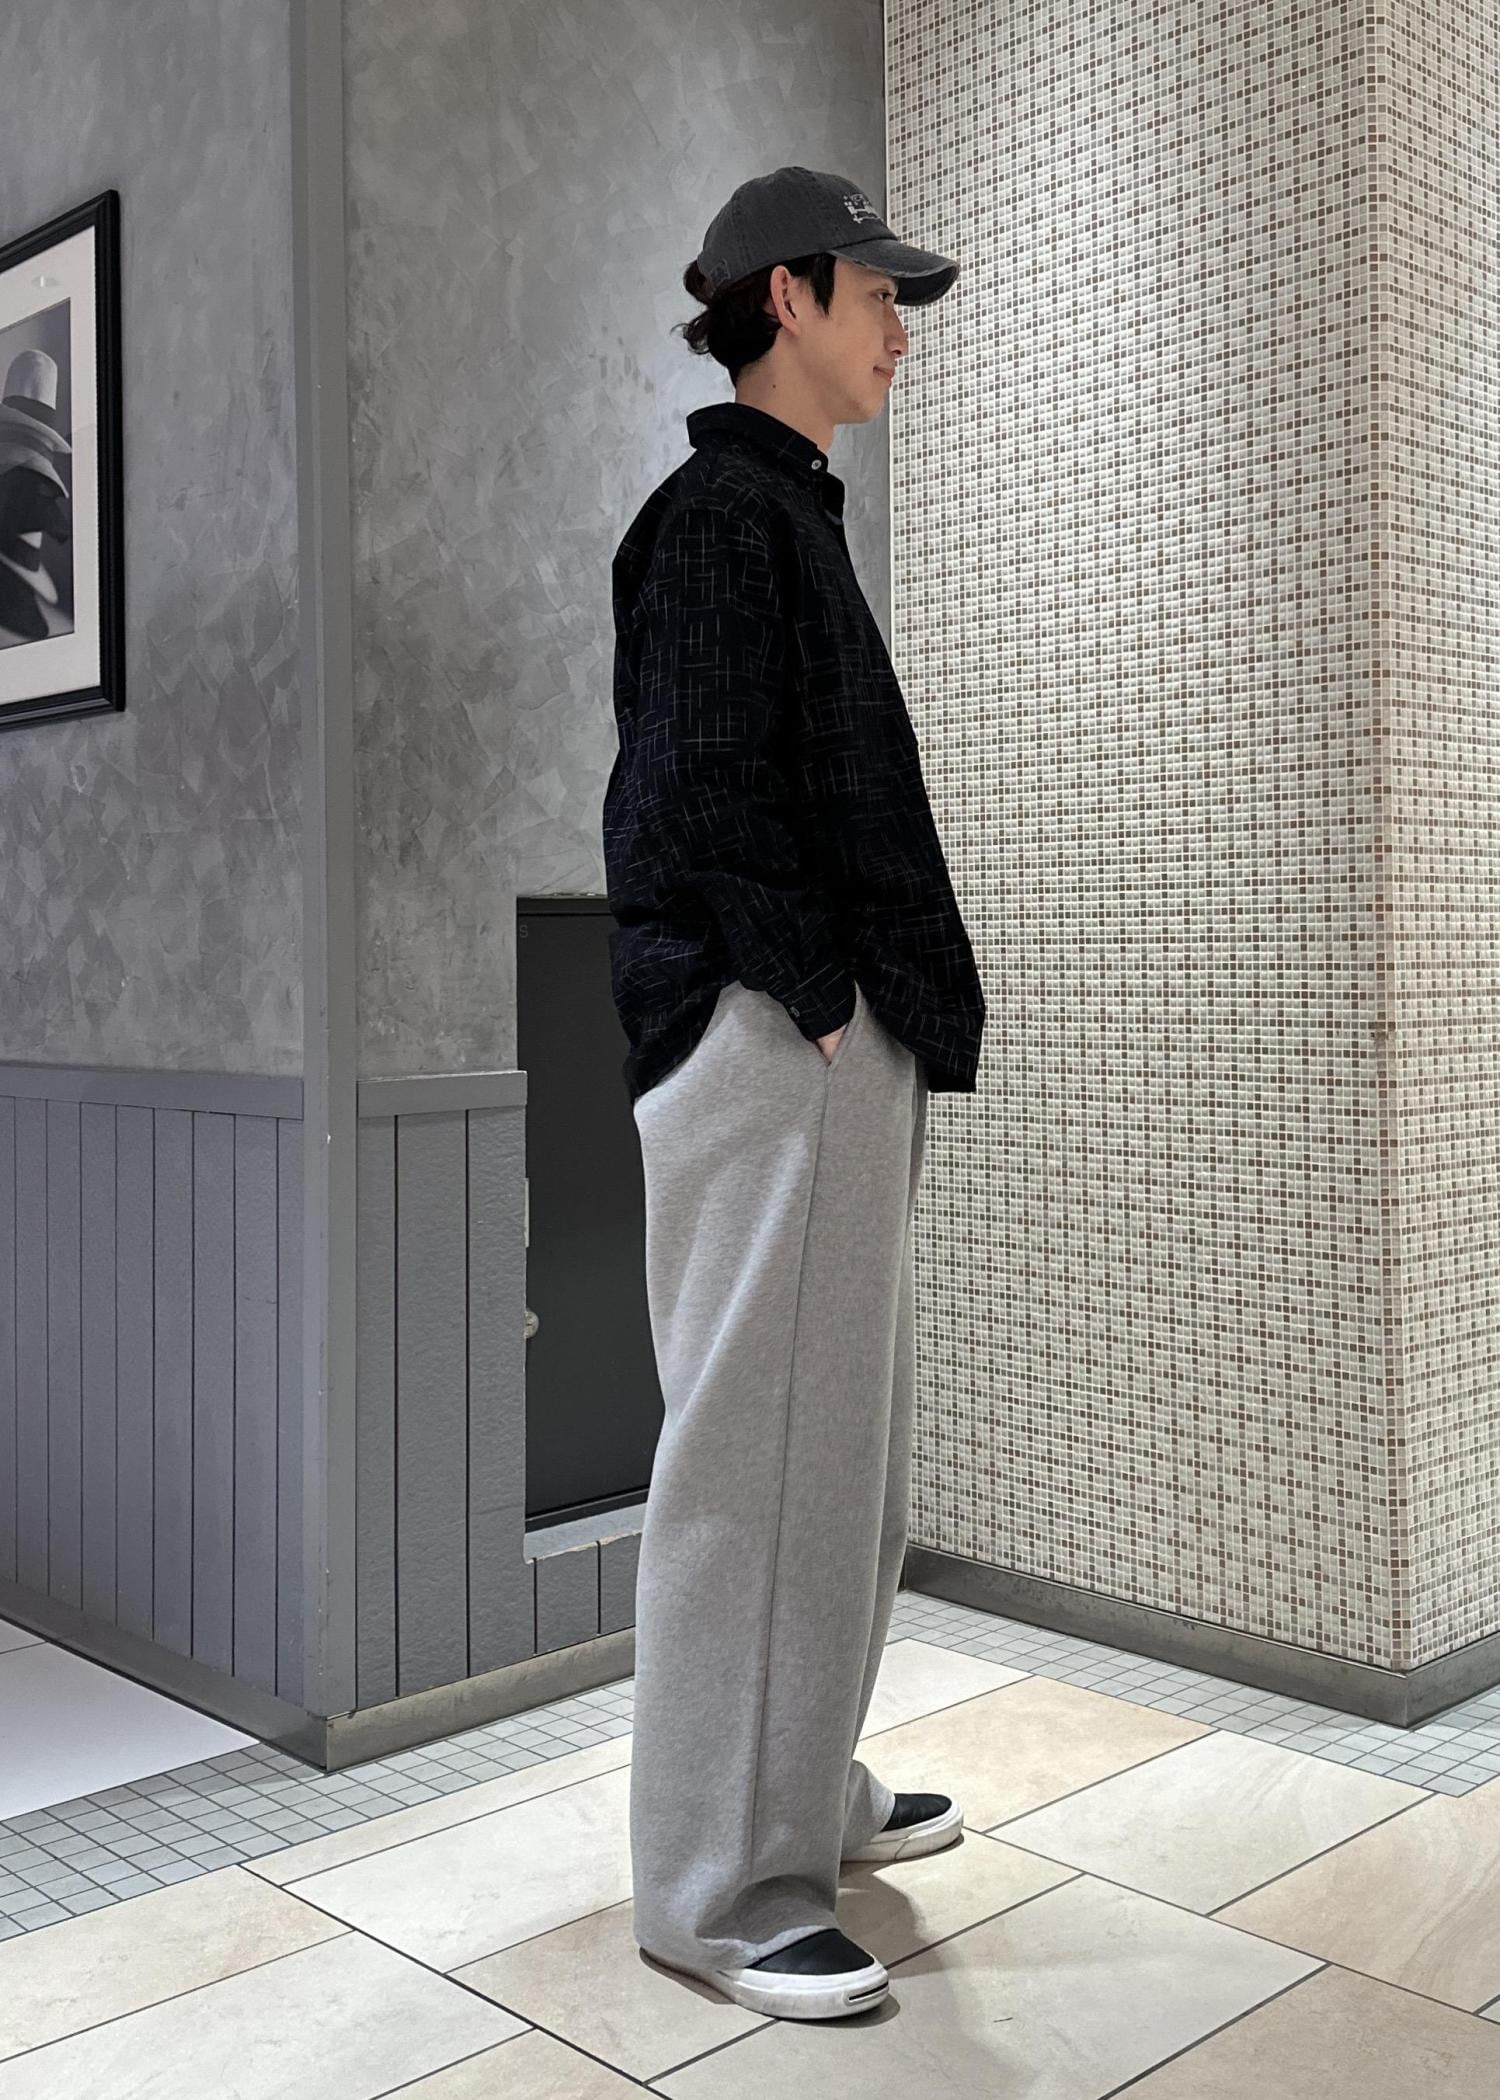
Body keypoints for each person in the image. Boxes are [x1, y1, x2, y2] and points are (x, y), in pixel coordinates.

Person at [601, 166, 986, 2022]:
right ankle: (721, 1889)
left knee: (841, 1459)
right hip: (774, 1039)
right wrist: (814, 996)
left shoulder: (783, 512)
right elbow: (689, 788)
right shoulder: (714, 521)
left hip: (819, 1033)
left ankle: (799, 1793)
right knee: (754, 1473)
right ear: (787, 297)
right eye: (878, 293)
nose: (901, 326)